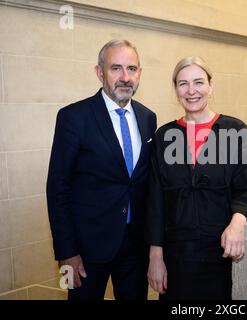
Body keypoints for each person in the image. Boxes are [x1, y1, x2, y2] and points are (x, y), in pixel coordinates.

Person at [46, 39, 157, 300]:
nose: (124, 77)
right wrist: (67, 252)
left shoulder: (148, 117)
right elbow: (57, 188)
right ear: (99, 72)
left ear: (140, 73)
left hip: (135, 247)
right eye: (115, 68)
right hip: (86, 250)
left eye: (132, 69)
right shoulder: (73, 117)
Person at [146, 56, 247, 300]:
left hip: (220, 253)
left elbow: (246, 185)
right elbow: (155, 200)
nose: (191, 90)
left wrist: (237, 223)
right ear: (175, 89)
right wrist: (156, 256)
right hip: (177, 257)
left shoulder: (234, 130)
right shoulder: (164, 136)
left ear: (210, 86)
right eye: (183, 83)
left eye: (198, 82)